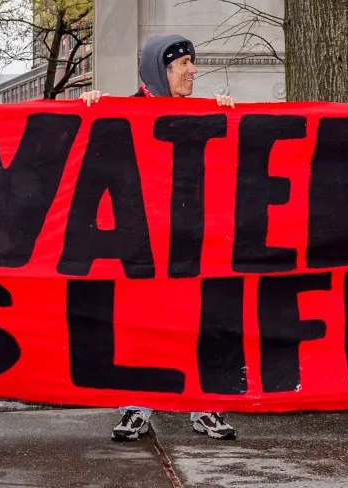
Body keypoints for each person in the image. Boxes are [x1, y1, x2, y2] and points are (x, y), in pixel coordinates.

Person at [80, 34, 236, 442]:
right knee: (140, 323)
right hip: (141, 244)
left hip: (190, 240)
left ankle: (204, 406)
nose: (193, 71)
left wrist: (237, 121)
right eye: (184, 64)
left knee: (199, 321)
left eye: (191, 63)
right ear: (159, 70)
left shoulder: (203, 114)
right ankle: (136, 407)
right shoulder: (123, 112)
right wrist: (86, 112)